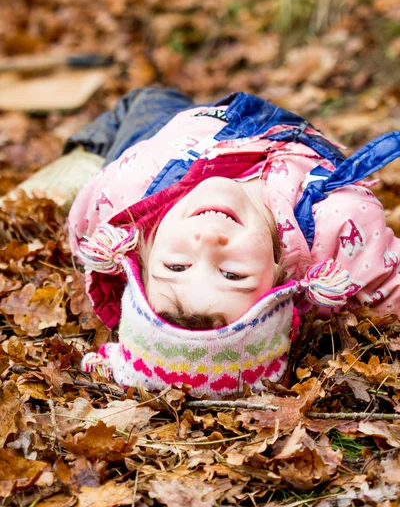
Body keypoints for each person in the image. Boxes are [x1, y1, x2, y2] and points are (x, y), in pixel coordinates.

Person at [34, 89, 400, 394]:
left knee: (146, 101)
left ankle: (82, 157)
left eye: (176, 266)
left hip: (172, 137)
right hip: (282, 138)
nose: (208, 240)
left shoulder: (124, 198)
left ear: (142, 257)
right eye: (232, 274)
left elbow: (84, 233)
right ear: (280, 279)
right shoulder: (335, 235)